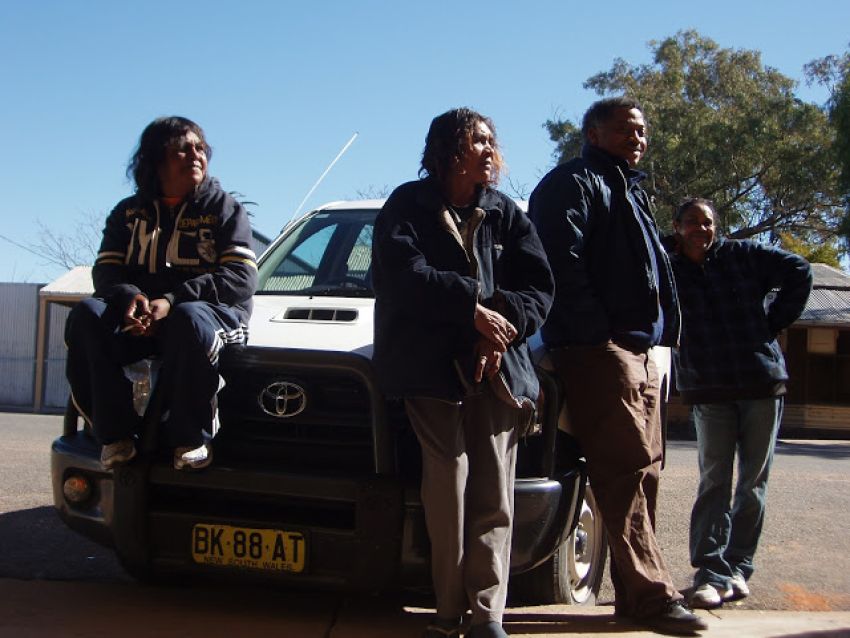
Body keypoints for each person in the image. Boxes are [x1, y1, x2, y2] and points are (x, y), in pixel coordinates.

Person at [528, 96, 707, 635]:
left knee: (646, 470)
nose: (639, 138)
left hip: (641, 352)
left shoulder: (631, 189)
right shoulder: (574, 181)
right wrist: (596, 333)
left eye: (643, 130)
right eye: (628, 129)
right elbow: (560, 259)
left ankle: (634, 598)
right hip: (600, 351)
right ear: (594, 132)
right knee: (625, 470)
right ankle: (654, 598)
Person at [372, 108, 553, 638]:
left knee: (495, 491)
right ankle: (447, 611)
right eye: (480, 140)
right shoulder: (407, 205)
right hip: (429, 373)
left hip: (497, 369)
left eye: (493, 140)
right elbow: (402, 277)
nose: (492, 150)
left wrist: (498, 331)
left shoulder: (506, 213)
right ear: (450, 150)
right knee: (447, 490)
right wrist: (470, 308)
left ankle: (486, 615)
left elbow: (540, 288)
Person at [65, 116, 258, 471]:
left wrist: (171, 301)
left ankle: (191, 437)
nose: (195, 155)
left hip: (211, 320)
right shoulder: (127, 213)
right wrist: (130, 299)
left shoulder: (224, 209)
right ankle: (115, 436)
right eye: (182, 149)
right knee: (87, 316)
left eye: (200, 148)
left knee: (189, 318)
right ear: (155, 159)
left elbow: (240, 278)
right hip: (142, 319)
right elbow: (106, 271)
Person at [669, 198, 812, 608]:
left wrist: (772, 321)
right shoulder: (668, 264)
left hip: (760, 384)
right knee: (714, 481)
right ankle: (709, 572)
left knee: (752, 484)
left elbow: (798, 269)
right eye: (692, 223)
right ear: (678, 227)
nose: (702, 229)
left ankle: (738, 567)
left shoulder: (742, 255)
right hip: (707, 386)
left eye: (708, 222)